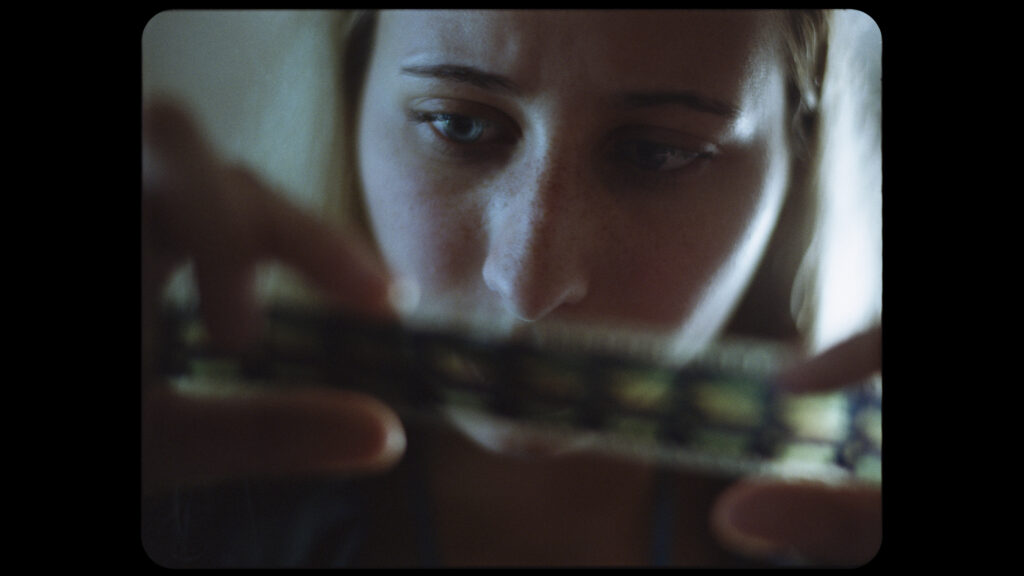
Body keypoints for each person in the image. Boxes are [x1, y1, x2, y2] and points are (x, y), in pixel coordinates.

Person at [141, 9, 882, 567]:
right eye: (457, 126)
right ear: (352, 95)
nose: (529, 284)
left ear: (795, 164)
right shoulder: (181, 496)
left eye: (659, 152)